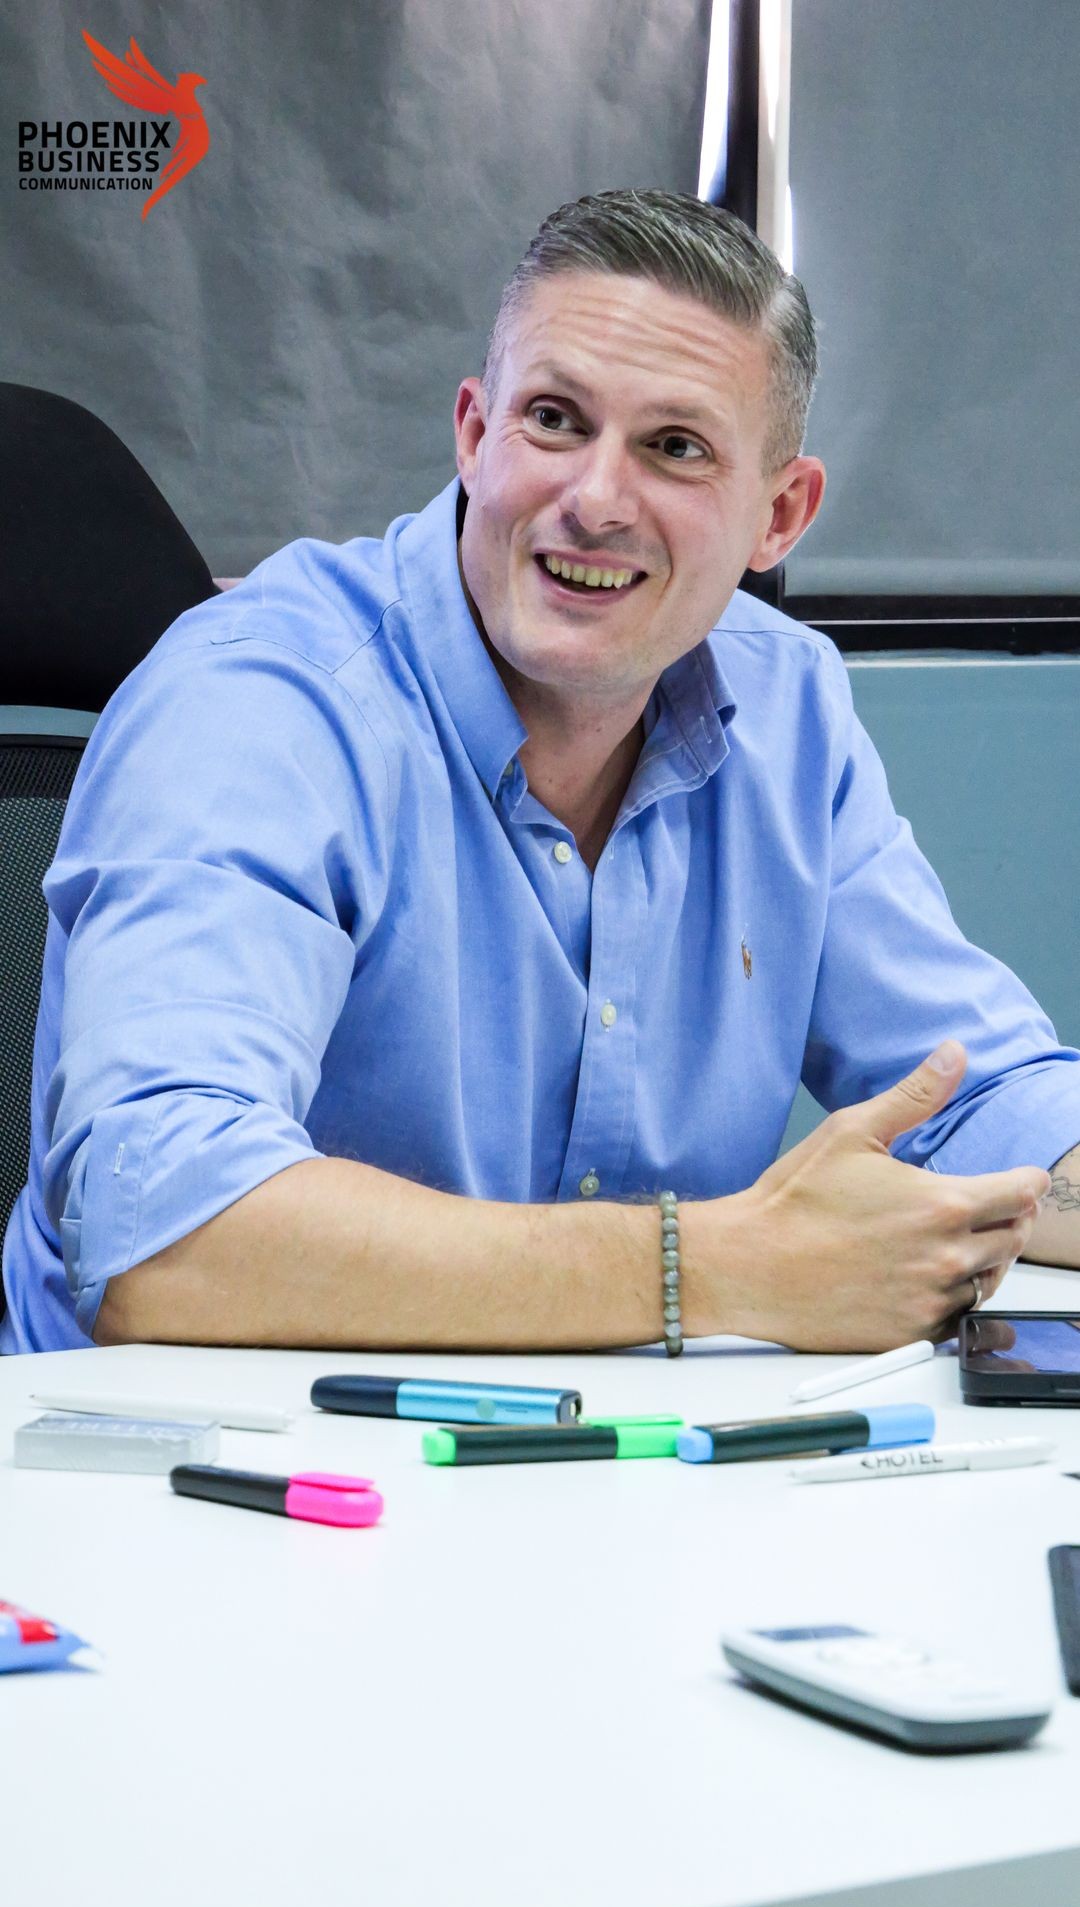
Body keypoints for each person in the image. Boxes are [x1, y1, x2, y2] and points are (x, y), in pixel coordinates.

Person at [3, 187, 1079, 1359]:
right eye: (556, 420)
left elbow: (980, 1100)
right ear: (474, 433)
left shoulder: (786, 708)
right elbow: (157, 1231)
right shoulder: (259, 701)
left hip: (611, 1475)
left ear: (781, 514)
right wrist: (709, 1270)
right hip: (213, 1487)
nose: (598, 501)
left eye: (675, 447)